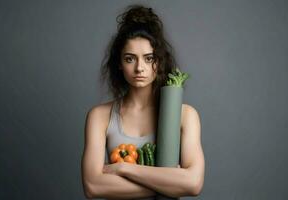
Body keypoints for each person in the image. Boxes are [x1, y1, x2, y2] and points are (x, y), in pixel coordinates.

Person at [81, 4, 205, 199]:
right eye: (130, 59)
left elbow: (194, 183)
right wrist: (170, 182)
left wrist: (123, 168)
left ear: (160, 61)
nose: (140, 68)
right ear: (119, 64)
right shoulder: (100, 117)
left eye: (149, 59)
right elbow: (92, 186)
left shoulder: (186, 116)